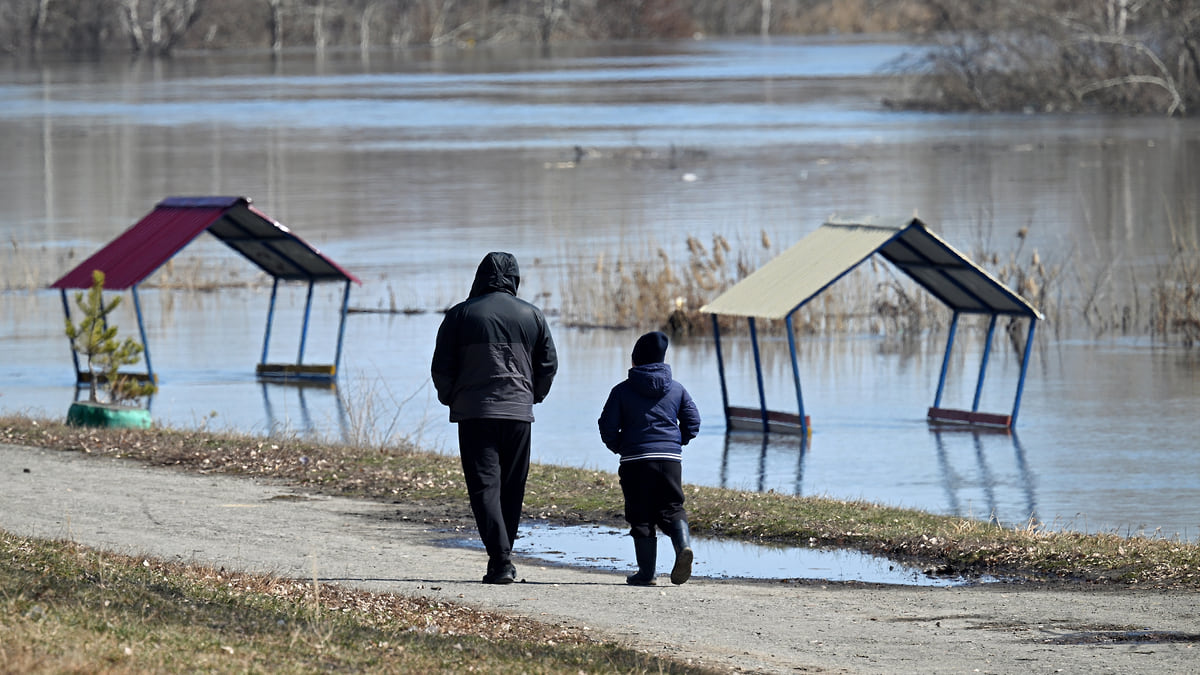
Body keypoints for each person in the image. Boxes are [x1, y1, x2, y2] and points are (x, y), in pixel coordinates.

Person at [431, 252, 558, 584]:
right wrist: (533, 395)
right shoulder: (533, 315)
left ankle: (500, 560)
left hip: (474, 413)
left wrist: (451, 398)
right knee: (512, 487)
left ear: (480, 276)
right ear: (514, 278)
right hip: (518, 412)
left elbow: (441, 367)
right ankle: (502, 557)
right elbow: (548, 365)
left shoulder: (459, 315)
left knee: (484, 486)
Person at [598, 330, 700, 586]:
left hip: (635, 461)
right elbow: (693, 421)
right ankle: (683, 546)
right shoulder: (676, 389)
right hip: (669, 460)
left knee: (641, 515)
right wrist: (677, 442)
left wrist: (621, 446)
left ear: (635, 360)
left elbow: (607, 426)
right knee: (673, 506)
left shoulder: (621, 391)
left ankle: (647, 573)